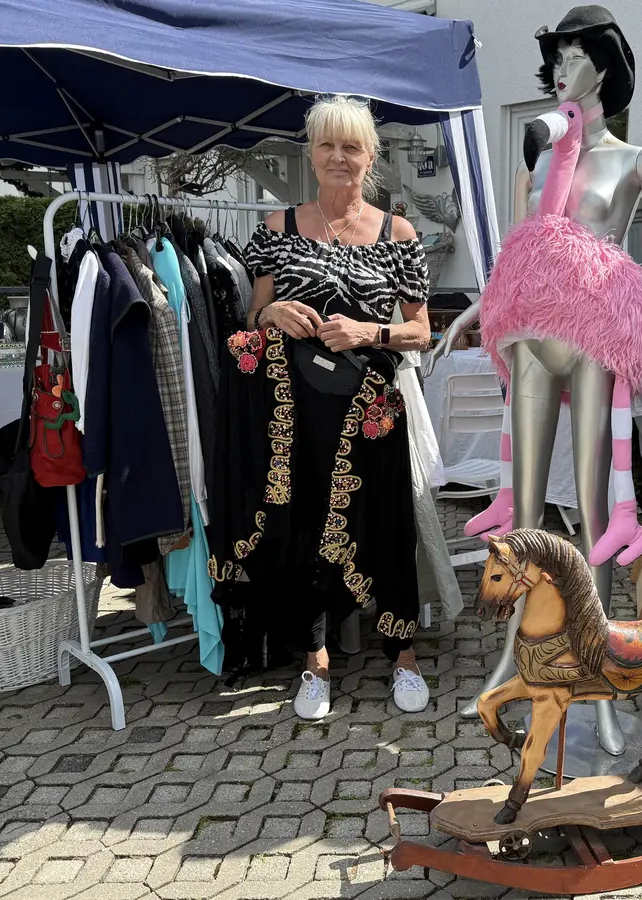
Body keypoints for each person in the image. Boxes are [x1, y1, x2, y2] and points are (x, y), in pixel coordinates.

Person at [237, 95, 433, 720]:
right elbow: (251, 318)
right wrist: (271, 312)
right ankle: (316, 659)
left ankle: (403, 654)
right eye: (327, 145)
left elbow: (421, 331)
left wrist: (368, 332)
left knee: (388, 524)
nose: (339, 157)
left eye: (351, 146)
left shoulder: (398, 233)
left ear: (370, 157)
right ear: (312, 153)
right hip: (298, 414)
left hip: (373, 411)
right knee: (307, 527)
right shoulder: (276, 228)